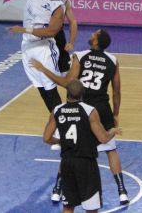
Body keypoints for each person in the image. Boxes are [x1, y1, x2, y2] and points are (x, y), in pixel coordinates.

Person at [34, 29, 129, 206]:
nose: (91, 35)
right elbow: (116, 91)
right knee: (111, 149)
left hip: (82, 107)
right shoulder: (113, 60)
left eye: (94, 34)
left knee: (70, 149)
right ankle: (122, 191)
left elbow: (67, 83)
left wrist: (43, 69)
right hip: (102, 108)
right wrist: (115, 114)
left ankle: (57, 189)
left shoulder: (80, 56)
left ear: (96, 41)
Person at [43, 80, 120, 213]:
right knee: (91, 208)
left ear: (67, 93)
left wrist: (60, 142)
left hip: (67, 163)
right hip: (86, 163)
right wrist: (113, 131)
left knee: (68, 206)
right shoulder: (90, 111)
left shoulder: (57, 110)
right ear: (83, 94)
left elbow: (46, 138)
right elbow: (103, 138)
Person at [8, 0, 66, 113]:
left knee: (50, 88)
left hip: (44, 49)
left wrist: (25, 29)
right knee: (41, 87)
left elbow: (51, 32)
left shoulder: (58, 7)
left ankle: (62, 119)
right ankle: (55, 117)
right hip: (27, 47)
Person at [44, 0, 78, 74]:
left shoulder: (64, 0)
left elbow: (72, 22)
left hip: (57, 36)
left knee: (65, 70)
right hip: (40, 35)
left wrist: (71, 42)